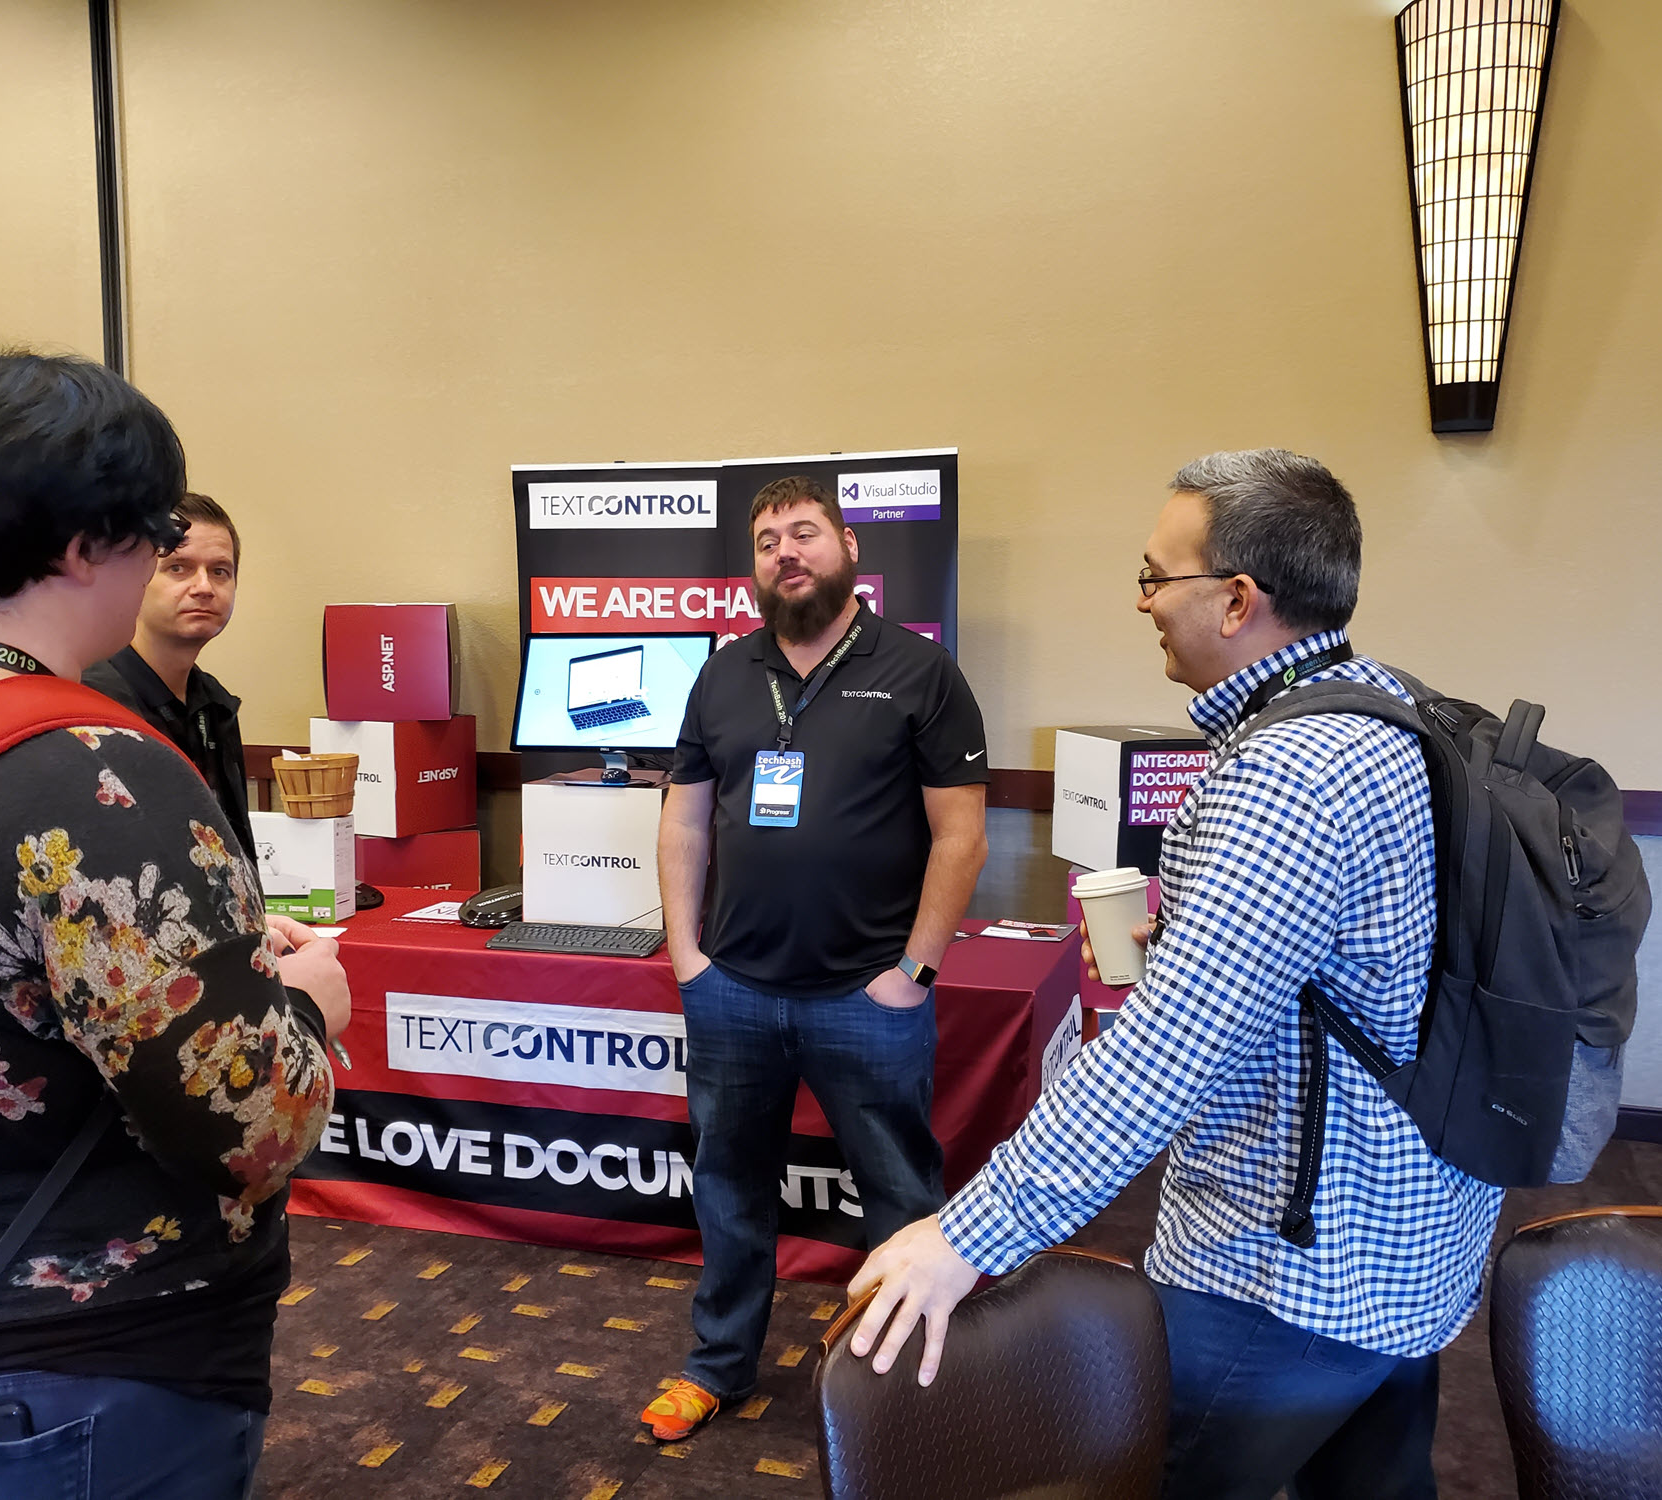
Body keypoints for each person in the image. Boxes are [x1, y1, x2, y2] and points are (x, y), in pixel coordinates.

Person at [843, 450, 1507, 1500]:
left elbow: (1164, 1055)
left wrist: (965, 1236)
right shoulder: (1396, 712)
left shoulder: (1286, 777)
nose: (1143, 602)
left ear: (1237, 600)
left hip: (1283, 1274)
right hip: (1411, 1242)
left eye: (1156, 576)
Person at [0, 350, 350, 1498]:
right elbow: (252, 1130)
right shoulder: (95, 772)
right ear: (84, 545)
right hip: (73, 1365)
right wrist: (308, 1011)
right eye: (156, 532)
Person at [640, 474, 990, 1442]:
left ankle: (906, 1400)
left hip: (865, 996)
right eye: (766, 542)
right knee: (728, 1190)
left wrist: (911, 972)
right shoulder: (721, 676)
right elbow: (683, 819)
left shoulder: (920, 673)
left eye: (803, 534)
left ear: (848, 551)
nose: (784, 554)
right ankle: (716, 1367)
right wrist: (685, 957)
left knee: (901, 1199)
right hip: (733, 993)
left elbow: (960, 838)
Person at [83, 491, 254, 858]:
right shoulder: (94, 704)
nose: (204, 587)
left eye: (220, 571)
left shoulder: (215, 706)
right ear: (137, 578)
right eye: (179, 568)